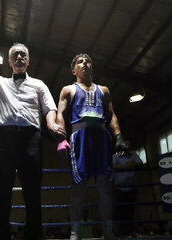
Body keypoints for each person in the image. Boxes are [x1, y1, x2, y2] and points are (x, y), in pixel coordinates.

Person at [0, 7, 66, 240]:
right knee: (2, 190)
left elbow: (49, 109)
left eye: (23, 54)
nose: (20, 57)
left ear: (28, 60)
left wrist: (51, 125)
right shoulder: (0, 82)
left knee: (32, 191)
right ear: (10, 61)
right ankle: (1, 235)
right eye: (16, 55)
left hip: (31, 139)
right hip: (4, 140)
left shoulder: (40, 85)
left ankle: (34, 236)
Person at [56, 53, 127, 240]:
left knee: (104, 184)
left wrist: (118, 135)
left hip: (102, 136)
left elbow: (111, 114)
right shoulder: (68, 90)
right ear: (74, 71)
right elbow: (60, 114)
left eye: (88, 61)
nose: (85, 63)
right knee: (79, 185)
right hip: (80, 136)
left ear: (92, 68)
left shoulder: (104, 90)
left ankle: (108, 231)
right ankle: (75, 232)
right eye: (80, 62)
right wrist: (61, 138)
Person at [113, 140, 143, 237]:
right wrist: (126, 166)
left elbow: (139, 164)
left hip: (132, 188)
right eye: (125, 143)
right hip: (119, 188)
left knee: (130, 211)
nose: (127, 145)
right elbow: (111, 167)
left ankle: (129, 232)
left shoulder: (134, 154)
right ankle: (120, 232)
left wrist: (119, 167)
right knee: (120, 212)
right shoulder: (115, 156)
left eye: (128, 143)